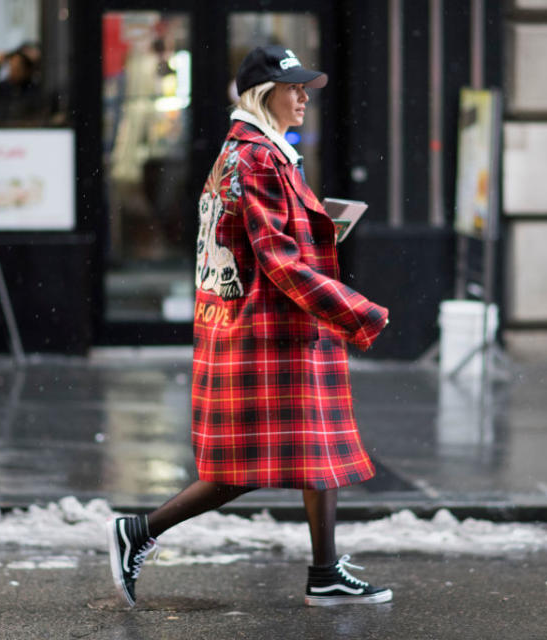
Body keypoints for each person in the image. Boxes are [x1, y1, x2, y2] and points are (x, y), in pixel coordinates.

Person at [107, 45, 392, 608]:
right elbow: (279, 260)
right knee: (242, 465)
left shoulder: (258, 151)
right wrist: (358, 310)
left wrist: (320, 229)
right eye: (294, 87)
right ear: (265, 95)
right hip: (263, 330)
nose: (305, 96)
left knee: (313, 446)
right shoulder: (257, 157)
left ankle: (326, 571)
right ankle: (138, 531)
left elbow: (267, 242)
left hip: (267, 325)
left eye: (306, 86)